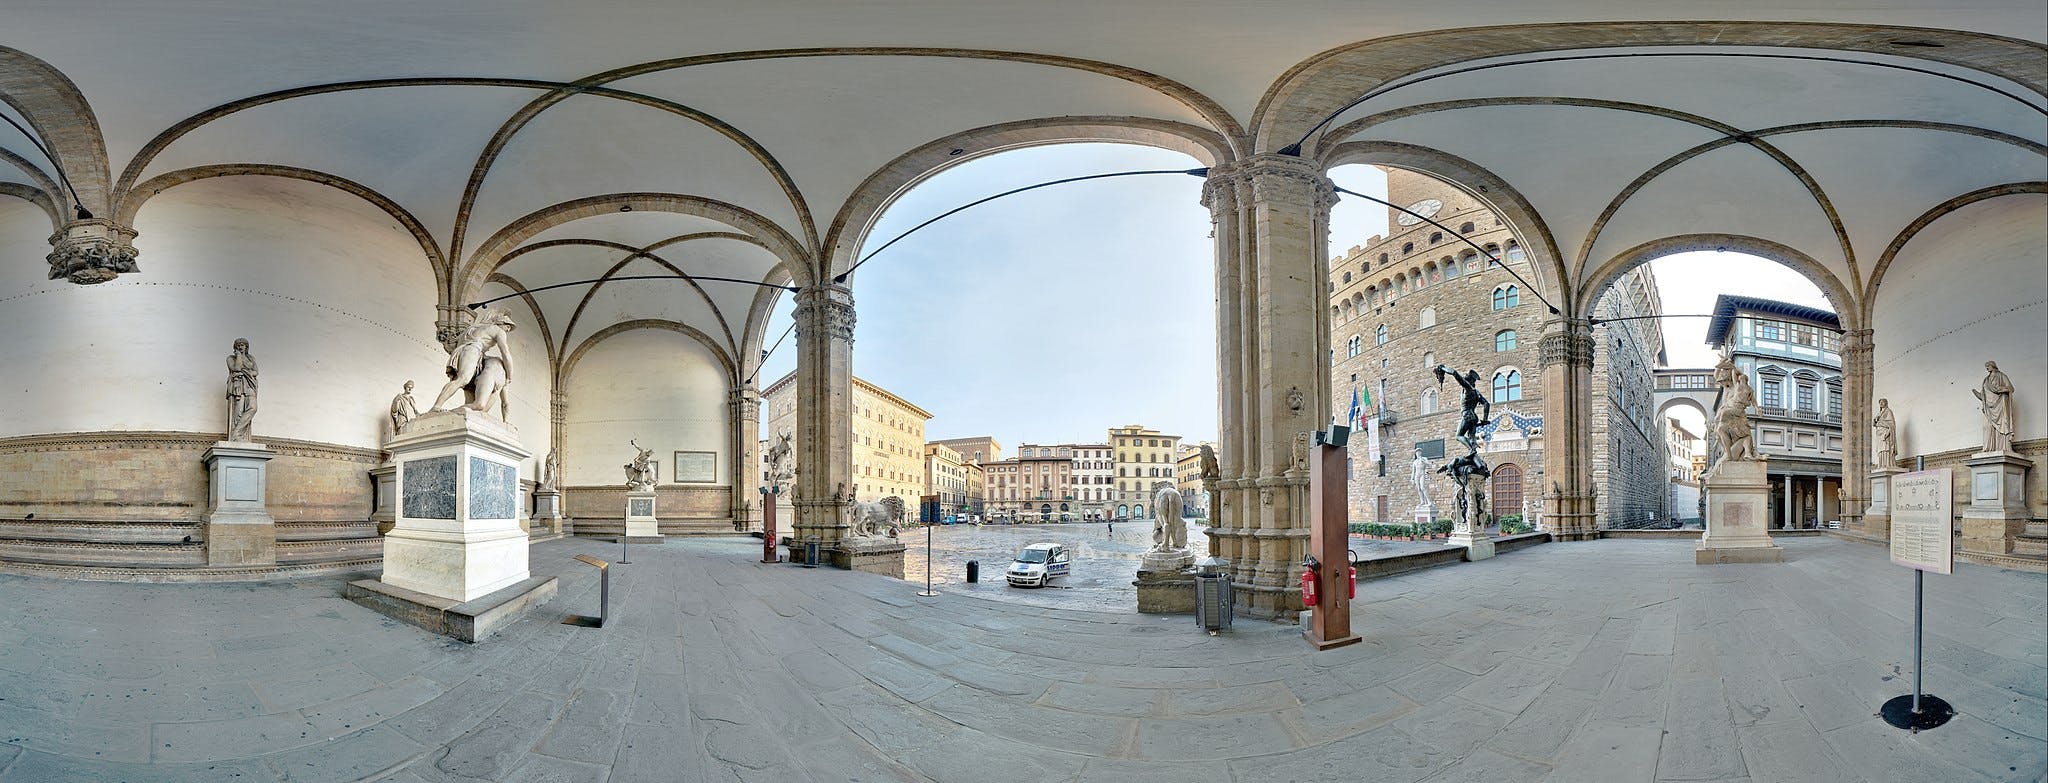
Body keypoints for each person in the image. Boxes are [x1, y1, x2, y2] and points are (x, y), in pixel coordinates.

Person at [431, 307, 516, 413]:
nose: (508, 330)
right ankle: (437, 406)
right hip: (473, 350)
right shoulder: (498, 330)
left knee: (468, 388)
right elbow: (505, 353)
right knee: (463, 379)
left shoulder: (477, 327)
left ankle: (447, 410)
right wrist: (509, 376)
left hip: (465, 351)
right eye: (508, 326)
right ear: (501, 323)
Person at [1974, 360, 2015, 454]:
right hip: (1989, 408)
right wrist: (1976, 393)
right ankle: (1989, 447)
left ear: (1993, 366)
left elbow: (2011, 388)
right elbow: (1983, 396)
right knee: (1987, 427)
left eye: (1988, 366)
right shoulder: (1986, 380)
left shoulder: (2001, 376)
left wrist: (2001, 389)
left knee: (2002, 426)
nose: (1987, 368)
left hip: (2000, 405)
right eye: (1986, 367)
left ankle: (2003, 447)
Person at [225, 338, 258, 442]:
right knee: (238, 412)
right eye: (238, 345)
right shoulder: (231, 358)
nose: (240, 347)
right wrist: (239, 356)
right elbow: (237, 368)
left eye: (242, 345)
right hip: (238, 385)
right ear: (235, 347)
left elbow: (256, 371)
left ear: (246, 347)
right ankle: (236, 436)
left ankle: (237, 432)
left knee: (253, 408)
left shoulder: (251, 358)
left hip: (250, 384)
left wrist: (248, 373)